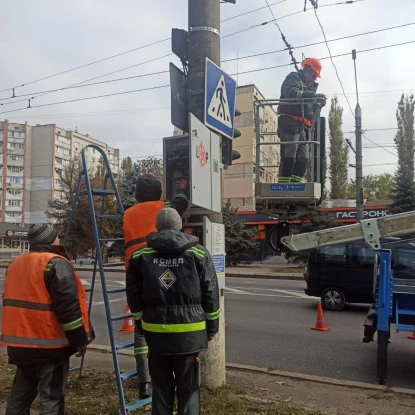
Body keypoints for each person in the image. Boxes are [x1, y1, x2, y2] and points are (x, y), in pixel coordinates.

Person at [126, 208, 220, 415]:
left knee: (161, 390)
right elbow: (211, 293)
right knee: (189, 391)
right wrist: (212, 327)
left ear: (157, 227)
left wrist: (142, 325)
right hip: (190, 334)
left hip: (156, 333)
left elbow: (133, 297)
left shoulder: (140, 255)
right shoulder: (198, 253)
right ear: (180, 226)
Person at [1, 224, 94, 415]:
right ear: (51, 240)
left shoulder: (16, 264)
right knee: (51, 399)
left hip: (20, 346)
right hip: (50, 347)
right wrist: (79, 342)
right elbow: (68, 311)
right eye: (56, 237)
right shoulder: (56, 263)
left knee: (20, 396)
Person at [122, 174, 189, 399]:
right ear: (158, 193)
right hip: (159, 267)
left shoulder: (128, 213)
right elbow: (182, 202)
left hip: (135, 270)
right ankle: (171, 377)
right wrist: (183, 186)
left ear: (138, 194)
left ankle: (145, 383)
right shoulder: (164, 207)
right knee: (168, 318)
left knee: (141, 327)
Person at [277, 57, 326, 184]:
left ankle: (295, 185)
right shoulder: (293, 78)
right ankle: (283, 186)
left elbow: (309, 109)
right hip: (290, 123)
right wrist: (312, 96)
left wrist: (319, 103)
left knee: (303, 159)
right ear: (307, 70)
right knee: (289, 157)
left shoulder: (310, 87)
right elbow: (291, 93)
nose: (315, 79)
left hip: (304, 128)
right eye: (314, 75)